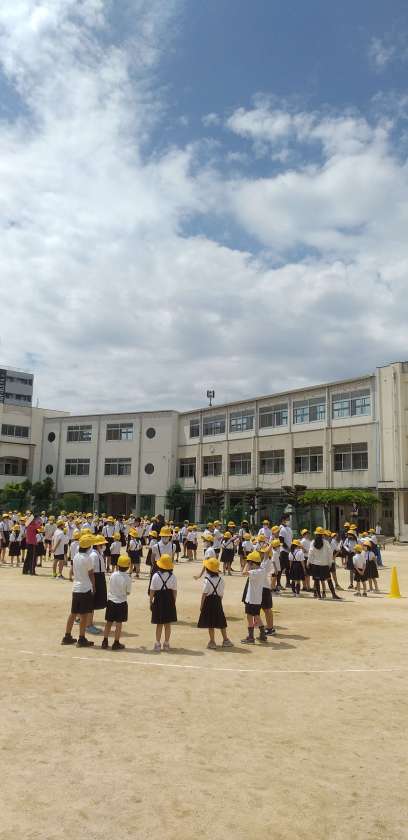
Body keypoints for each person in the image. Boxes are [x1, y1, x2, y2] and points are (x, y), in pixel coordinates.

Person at [61, 533, 95, 647]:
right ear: (88, 547)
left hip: (76, 587)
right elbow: (91, 574)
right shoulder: (88, 558)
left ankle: (67, 636)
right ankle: (81, 638)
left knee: (73, 613)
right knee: (84, 615)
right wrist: (94, 587)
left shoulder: (76, 556)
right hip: (85, 588)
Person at [197, 556, 233, 648]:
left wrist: (201, 606)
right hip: (217, 601)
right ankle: (225, 640)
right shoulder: (221, 580)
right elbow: (221, 594)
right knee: (221, 621)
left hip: (208, 602)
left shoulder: (207, 580)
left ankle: (212, 642)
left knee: (210, 623)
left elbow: (204, 594)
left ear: (208, 569)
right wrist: (218, 602)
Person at [102, 554, 132, 650]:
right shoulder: (128, 578)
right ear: (128, 567)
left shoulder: (113, 574)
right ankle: (116, 642)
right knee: (119, 624)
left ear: (118, 565)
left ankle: (105, 641)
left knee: (109, 622)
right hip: (121, 602)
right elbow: (128, 592)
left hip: (111, 601)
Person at [149, 553, 177, 651]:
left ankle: (157, 643)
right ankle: (166, 643)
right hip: (169, 599)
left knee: (159, 623)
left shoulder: (156, 576)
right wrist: (173, 601)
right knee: (167, 624)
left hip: (159, 599)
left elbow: (152, 590)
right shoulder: (173, 576)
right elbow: (174, 591)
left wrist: (150, 601)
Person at [241, 550, 268, 644]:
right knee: (256, 615)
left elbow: (243, 573)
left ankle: (251, 637)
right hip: (257, 599)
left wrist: (247, 564)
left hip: (251, 599)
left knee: (249, 616)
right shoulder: (262, 570)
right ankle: (262, 634)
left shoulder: (255, 572)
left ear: (252, 563)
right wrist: (250, 562)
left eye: (249, 562)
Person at [308, 530, 342, 600]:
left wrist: (308, 562)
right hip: (324, 564)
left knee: (316, 580)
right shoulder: (326, 542)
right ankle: (333, 594)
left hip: (315, 564)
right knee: (329, 579)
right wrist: (330, 563)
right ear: (322, 535)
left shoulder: (313, 542)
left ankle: (319, 596)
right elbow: (330, 553)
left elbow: (310, 553)